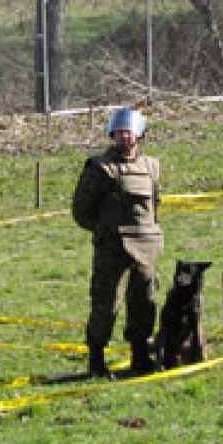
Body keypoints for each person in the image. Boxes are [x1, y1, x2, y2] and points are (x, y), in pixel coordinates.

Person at [71, 106, 163, 378]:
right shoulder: (100, 168)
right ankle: (97, 360)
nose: (125, 138)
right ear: (112, 134)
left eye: (129, 132)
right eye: (120, 133)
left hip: (145, 246)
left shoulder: (152, 167)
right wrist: (105, 232)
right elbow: (82, 211)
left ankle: (141, 356)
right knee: (106, 304)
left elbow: (155, 204)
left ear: (139, 134)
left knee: (145, 301)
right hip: (112, 249)